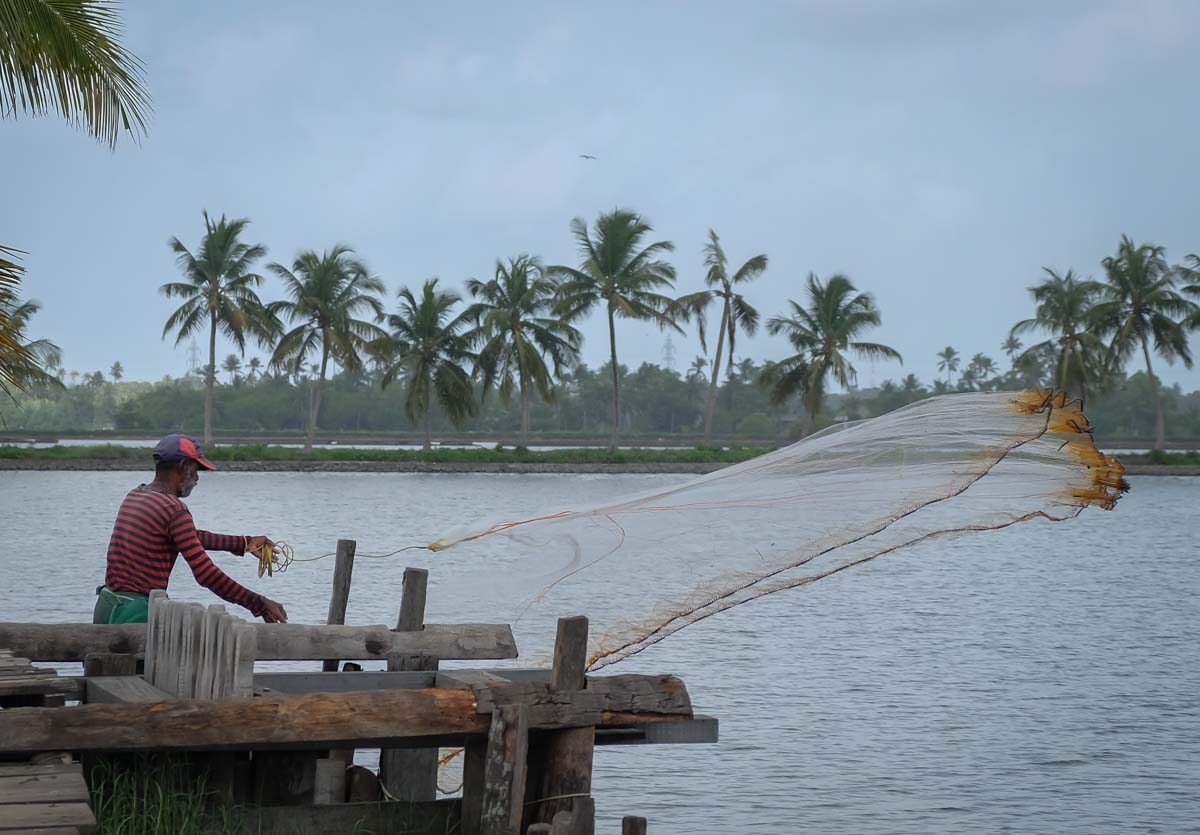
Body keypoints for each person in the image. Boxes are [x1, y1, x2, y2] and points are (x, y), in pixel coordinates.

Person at [93, 433, 288, 625]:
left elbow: (189, 537)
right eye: (195, 470)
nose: (196, 478)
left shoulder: (136, 495)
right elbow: (206, 574)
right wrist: (258, 604)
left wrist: (244, 543)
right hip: (133, 612)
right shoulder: (173, 508)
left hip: (108, 604)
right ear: (183, 466)